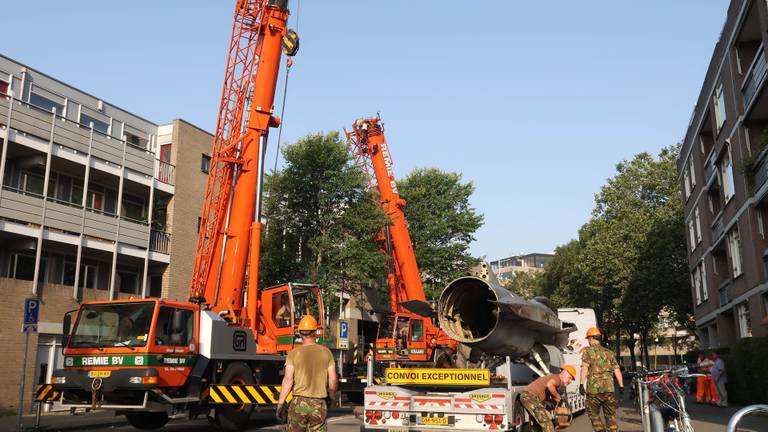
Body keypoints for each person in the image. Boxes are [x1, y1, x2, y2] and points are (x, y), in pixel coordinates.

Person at [276, 315, 338, 432]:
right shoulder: (326, 353)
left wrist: (280, 404)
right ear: (315, 332)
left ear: (300, 333)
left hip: (299, 403)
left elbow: (288, 380)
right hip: (319, 403)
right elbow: (333, 378)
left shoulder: (293, 354)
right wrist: (332, 397)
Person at [579, 327, 623, 432]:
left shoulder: (588, 352)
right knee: (610, 416)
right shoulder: (610, 353)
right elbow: (617, 370)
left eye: (588, 339)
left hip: (594, 391)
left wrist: (581, 384)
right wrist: (621, 385)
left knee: (594, 415)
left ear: (592, 338)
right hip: (609, 390)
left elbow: (584, 367)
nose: (588, 341)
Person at [519, 365, 576, 432]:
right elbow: (549, 385)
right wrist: (558, 398)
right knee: (547, 423)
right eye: (569, 378)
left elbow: (549, 400)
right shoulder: (557, 378)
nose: (570, 381)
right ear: (564, 373)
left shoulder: (556, 383)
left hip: (529, 397)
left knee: (537, 425)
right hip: (529, 397)